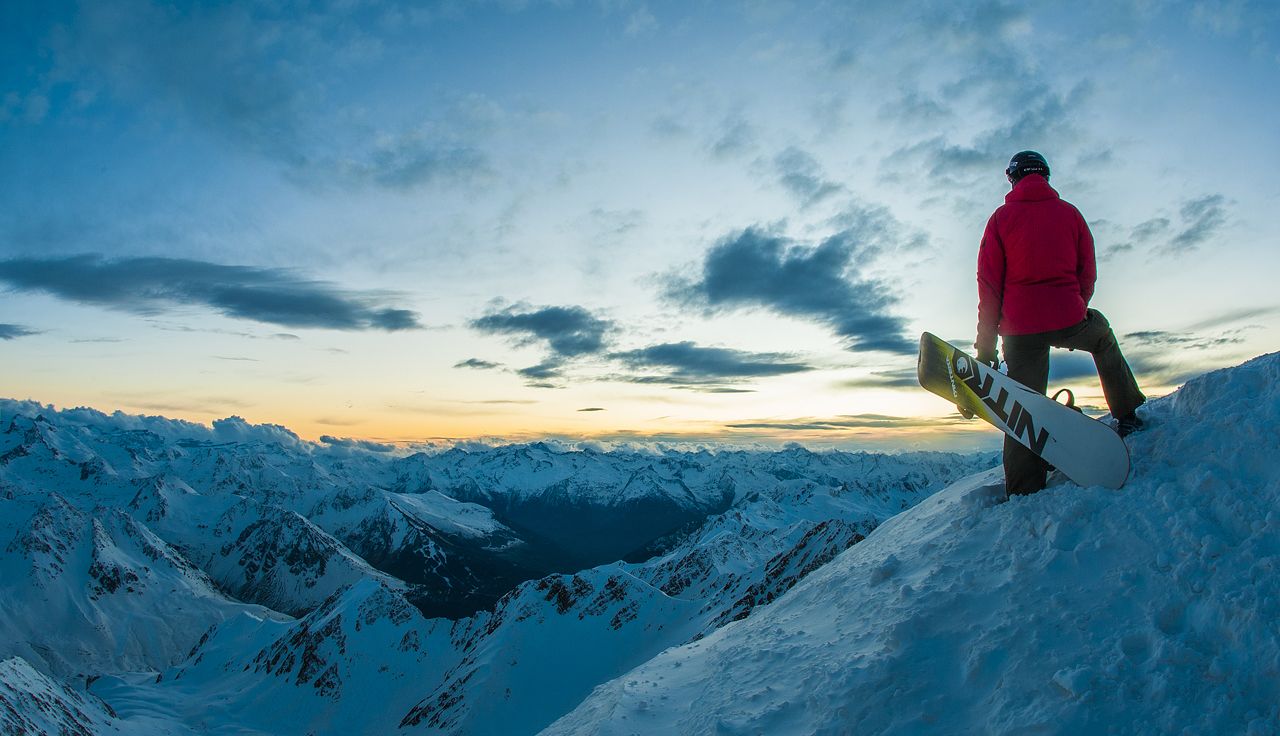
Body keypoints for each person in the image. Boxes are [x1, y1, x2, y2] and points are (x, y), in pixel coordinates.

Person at [976, 150, 1146, 496]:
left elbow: (989, 286)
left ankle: (1024, 486)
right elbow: (1088, 271)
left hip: (1019, 329)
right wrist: (1076, 306)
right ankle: (1127, 412)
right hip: (1069, 316)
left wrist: (986, 348)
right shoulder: (1070, 214)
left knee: (1023, 403)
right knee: (1102, 339)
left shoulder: (1000, 219)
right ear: (1046, 177)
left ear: (1012, 177)